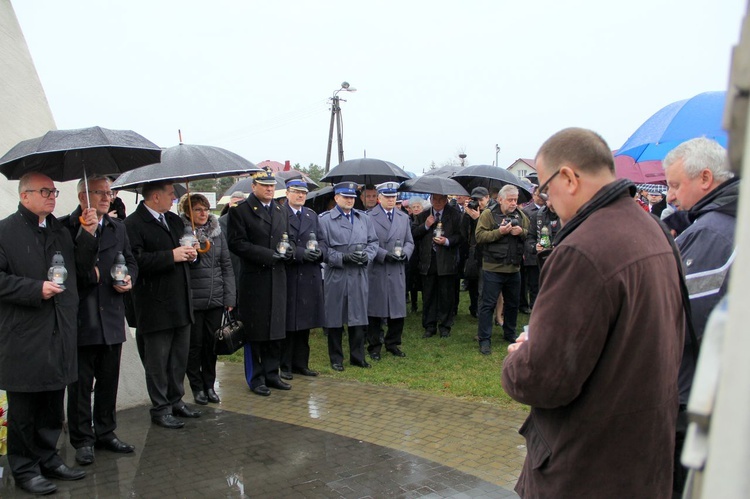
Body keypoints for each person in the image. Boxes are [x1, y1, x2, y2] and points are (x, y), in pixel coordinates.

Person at [502, 128, 684, 498]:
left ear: (568, 178)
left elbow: (545, 378)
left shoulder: (581, 250)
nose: (546, 202)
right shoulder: (655, 230)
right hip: (644, 459)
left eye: (545, 189)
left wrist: (520, 358)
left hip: (586, 467)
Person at [0, 173, 87, 495]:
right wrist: (35, 289)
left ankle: (48, 457)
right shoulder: (5, 231)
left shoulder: (59, 229)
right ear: (25, 196)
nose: (52, 196)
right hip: (23, 333)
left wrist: (88, 232)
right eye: (45, 191)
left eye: (54, 191)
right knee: (25, 406)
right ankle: (24, 468)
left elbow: (79, 267)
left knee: (53, 400)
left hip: (59, 329)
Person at [663, 137, 738, 496]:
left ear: (705, 178)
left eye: (675, 185)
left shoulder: (710, 232)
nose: (671, 196)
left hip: (693, 391)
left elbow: (675, 313)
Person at [60, 175, 138, 466]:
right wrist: (87, 235)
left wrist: (129, 278)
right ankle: (82, 439)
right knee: (80, 385)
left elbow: (130, 260)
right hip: (83, 317)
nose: (108, 197)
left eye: (110, 192)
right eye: (100, 193)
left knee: (109, 380)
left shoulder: (119, 227)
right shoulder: (65, 226)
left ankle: (106, 431)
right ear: (83, 197)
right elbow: (68, 269)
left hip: (112, 315)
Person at [125, 180, 202, 429]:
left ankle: (176, 399)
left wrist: (192, 253)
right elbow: (134, 261)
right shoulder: (133, 224)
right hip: (153, 304)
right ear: (155, 197)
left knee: (178, 357)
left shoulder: (174, 220)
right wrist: (171, 255)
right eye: (170, 194)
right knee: (157, 361)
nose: (173, 198)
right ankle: (160, 408)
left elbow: (186, 255)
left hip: (180, 301)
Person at [228, 169, 293, 396]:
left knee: (275, 329)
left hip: (277, 277)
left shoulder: (280, 209)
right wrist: (267, 255)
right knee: (256, 331)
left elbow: (285, 238)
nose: (269, 189)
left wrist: (288, 250)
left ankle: (272, 373)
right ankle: (256, 378)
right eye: (264, 186)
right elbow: (237, 244)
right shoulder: (241, 211)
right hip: (255, 280)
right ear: (253, 186)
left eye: (272, 186)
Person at [179, 194, 236, 406]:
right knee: (194, 346)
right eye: (197, 210)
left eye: (205, 209)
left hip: (216, 298)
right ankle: (196, 386)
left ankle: (210, 384)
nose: (203, 213)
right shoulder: (182, 232)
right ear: (188, 212)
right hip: (193, 299)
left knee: (212, 345)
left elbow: (226, 266)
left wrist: (229, 296)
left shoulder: (217, 233)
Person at [318, 181, 379, 371]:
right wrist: (342, 258)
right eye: (345, 197)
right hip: (337, 273)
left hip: (359, 273)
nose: (350, 200)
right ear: (336, 198)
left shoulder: (364, 218)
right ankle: (336, 358)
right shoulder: (325, 220)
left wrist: (366, 256)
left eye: (352, 197)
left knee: (358, 317)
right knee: (335, 318)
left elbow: (373, 242)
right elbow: (322, 249)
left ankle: (357, 356)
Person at [475, 185, 529, 354]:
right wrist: (499, 232)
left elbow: (530, 233)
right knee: (487, 305)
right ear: (500, 199)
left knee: (512, 304)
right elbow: (479, 236)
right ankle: (484, 339)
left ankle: (510, 333)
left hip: (514, 268)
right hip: (493, 268)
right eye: (510, 200)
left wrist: (521, 232)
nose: (513, 203)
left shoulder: (521, 215)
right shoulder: (489, 214)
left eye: (515, 199)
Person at [280, 179, 325, 380]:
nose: (300, 196)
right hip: (290, 272)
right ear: (287, 193)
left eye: (303, 193)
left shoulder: (311, 215)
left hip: (308, 274)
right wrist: (300, 253)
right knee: (289, 323)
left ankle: (301, 363)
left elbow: (323, 240)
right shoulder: (280, 214)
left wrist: (320, 253)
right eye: (296, 192)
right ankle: (285, 364)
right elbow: (280, 241)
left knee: (305, 323)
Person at [366, 182, 415, 360]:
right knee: (375, 310)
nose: (390, 200)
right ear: (379, 198)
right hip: (378, 268)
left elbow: (410, 241)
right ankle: (374, 346)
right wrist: (384, 255)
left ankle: (393, 343)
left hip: (397, 269)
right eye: (387, 197)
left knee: (397, 309)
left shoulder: (403, 217)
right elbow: (367, 242)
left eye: (393, 197)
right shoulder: (369, 217)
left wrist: (405, 254)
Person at [412, 194, 463, 338]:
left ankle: (445, 326)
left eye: (441, 200)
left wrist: (447, 241)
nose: (438, 203)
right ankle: (429, 325)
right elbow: (414, 233)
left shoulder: (454, 215)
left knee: (446, 295)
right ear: (431, 200)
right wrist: (426, 225)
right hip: (428, 261)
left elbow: (460, 236)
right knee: (428, 295)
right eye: (436, 200)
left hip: (446, 261)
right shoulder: (423, 215)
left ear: (446, 200)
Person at [461, 187, 492, 318]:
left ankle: (482, 313)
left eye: (481, 200)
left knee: (483, 287)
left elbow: (489, 233)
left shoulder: (492, 212)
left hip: (486, 254)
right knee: (472, 282)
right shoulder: (469, 212)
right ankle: (474, 308)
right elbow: (463, 232)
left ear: (488, 198)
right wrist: (466, 214)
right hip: (472, 253)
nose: (478, 203)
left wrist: (478, 219)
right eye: (475, 200)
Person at [520, 188, 544, 313]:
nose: (540, 197)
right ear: (533, 195)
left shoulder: (549, 210)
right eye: (538, 194)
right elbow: (527, 234)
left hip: (546, 251)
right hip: (531, 253)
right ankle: (530, 305)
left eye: (542, 195)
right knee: (532, 283)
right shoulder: (526, 211)